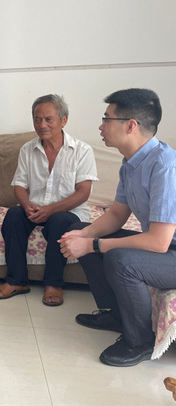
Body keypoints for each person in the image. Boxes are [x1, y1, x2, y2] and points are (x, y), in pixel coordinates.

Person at [59, 88, 176, 367]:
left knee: (119, 259)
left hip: (169, 250)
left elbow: (159, 242)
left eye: (106, 119)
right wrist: (83, 234)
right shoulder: (130, 164)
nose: (100, 126)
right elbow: (116, 215)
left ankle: (140, 342)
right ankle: (116, 315)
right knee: (82, 226)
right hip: (165, 249)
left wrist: (93, 244)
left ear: (130, 125)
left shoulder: (165, 166)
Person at [0, 94, 97, 306]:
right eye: (37, 119)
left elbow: (83, 192)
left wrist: (52, 209)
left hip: (69, 211)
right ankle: (17, 281)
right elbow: (19, 185)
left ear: (63, 120)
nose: (42, 125)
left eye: (48, 119)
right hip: (36, 208)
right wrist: (26, 205)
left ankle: (53, 284)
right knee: (13, 215)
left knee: (59, 222)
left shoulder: (82, 151)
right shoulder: (27, 149)